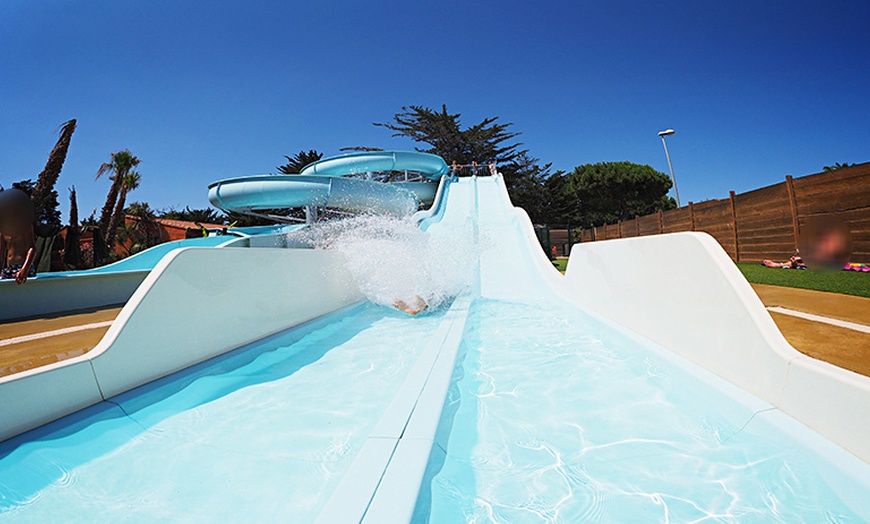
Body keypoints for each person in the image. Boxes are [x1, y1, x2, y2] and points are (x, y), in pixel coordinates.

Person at [0, 188, 37, 284]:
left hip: (24, 267)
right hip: (9, 268)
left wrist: (25, 269)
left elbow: (32, 248)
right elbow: (1, 253)